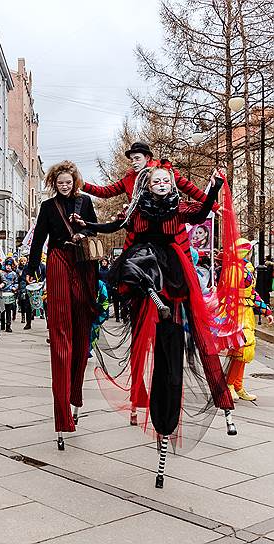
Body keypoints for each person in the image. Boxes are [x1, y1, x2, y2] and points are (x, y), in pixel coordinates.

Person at [74, 167, 233, 487]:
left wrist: (214, 187)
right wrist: (87, 224)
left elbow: (202, 210)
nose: (162, 184)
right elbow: (114, 225)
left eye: (166, 181)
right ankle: (150, 294)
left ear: (172, 186)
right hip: (147, 279)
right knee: (137, 264)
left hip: (174, 283)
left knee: (185, 350)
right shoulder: (138, 211)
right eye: (156, 181)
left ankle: (208, 408)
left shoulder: (178, 208)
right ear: (147, 185)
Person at [26, 160, 98, 450]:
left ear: (74, 181)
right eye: (60, 183)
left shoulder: (85, 202)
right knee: (61, 334)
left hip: (82, 266)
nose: (64, 186)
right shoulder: (47, 208)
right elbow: (39, 240)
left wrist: (86, 233)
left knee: (82, 334)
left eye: (68, 182)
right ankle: (61, 415)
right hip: (57, 262)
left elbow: (96, 231)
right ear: (54, 183)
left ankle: (76, 397)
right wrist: (31, 268)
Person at [82, 142, 214, 258]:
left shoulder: (164, 173)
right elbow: (106, 194)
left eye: (137, 158)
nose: (134, 162)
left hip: (168, 231)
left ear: (147, 157)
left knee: (178, 274)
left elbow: (189, 188)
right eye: (132, 159)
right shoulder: (130, 184)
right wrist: (82, 185)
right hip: (141, 231)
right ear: (149, 186)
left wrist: (214, 204)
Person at [226, 239, 274, 402]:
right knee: (240, 349)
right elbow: (229, 293)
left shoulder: (246, 268)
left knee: (246, 351)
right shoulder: (233, 269)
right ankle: (230, 385)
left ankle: (237, 385)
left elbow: (252, 293)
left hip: (246, 312)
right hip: (237, 314)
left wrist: (266, 311)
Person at [1, 262, 18, 332]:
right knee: (2, 310)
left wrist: (14, 287)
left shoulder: (14, 274)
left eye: (9, 266)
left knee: (8, 310)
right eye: (7, 265)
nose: (8, 267)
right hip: (2, 292)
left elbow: (16, 282)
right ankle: (2, 324)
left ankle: (8, 325)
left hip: (10, 292)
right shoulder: (1, 273)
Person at [16, 257, 33, 329]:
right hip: (28, 287)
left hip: (39, 286)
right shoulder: (27, 267)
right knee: (27, 305)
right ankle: (28, 323)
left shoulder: (42, 266)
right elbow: (22, 278)